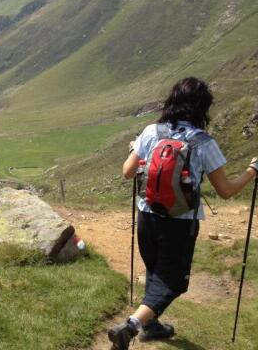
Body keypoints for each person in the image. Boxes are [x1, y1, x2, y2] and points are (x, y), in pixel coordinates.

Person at [109, 77, 258, 350]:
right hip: (179, 223)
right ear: (202, 108)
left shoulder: (152, 131)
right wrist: (252, 171)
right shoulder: (203, 142)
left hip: (147, 215)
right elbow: (225, 190)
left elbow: (127, 172)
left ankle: (151, 325)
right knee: (174, 281)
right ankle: (130, 327)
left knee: (156, 270)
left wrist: (134, 148)